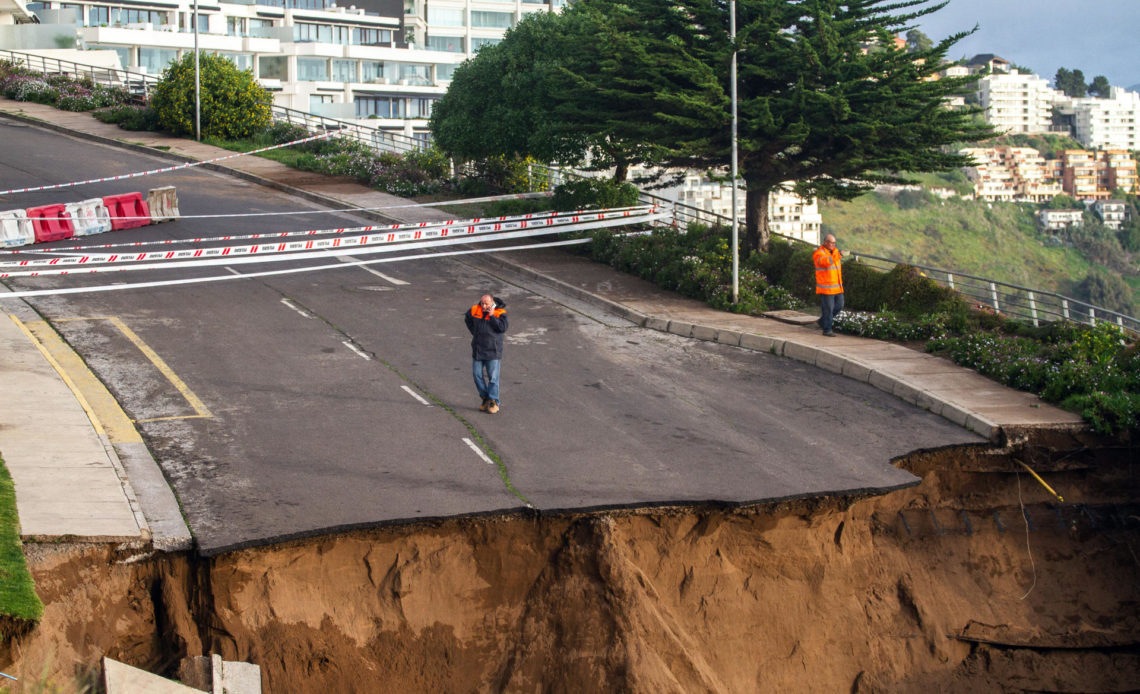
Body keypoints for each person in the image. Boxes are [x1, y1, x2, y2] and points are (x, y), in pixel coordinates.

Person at [464, 293, 508, 414]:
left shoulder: (500, 313)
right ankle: (486, 398)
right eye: (482, 303)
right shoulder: (474, 310)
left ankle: (494, 401)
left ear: (492, 303)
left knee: (493, 378)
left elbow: (503, 328)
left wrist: (492, 316)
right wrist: (474, 332)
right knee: (477, 375)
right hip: (478, 350)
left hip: (492, 351)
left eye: (486, 304)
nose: (483, 306)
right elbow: (467, 319)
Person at [813, 234, 844, 337]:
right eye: (831, 242)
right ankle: (827, 330)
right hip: (826, 288)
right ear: (825, 242)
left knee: (839, 306)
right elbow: (825, 262)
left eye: (834, 243)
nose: (833, 245)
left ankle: (823, 321)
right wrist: (838, 255)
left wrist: (837, 254)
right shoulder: (819, 253)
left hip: (837, 287)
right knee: (828, 309)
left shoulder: (835, 252)